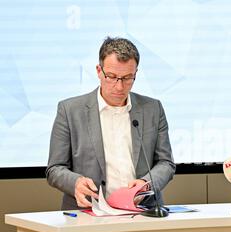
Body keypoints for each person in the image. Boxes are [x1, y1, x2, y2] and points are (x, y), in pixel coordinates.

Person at [46, 37, 175, 210]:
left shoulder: (152, 109)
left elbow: (166, 163)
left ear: (136, 73)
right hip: (89, 212)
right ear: (99, 71)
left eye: (128, 78)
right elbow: (55, 169)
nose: (119, 86)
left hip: (143, 212)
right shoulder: (70, 111)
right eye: (112, 77)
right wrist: (75, 182)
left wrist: (146, 184)